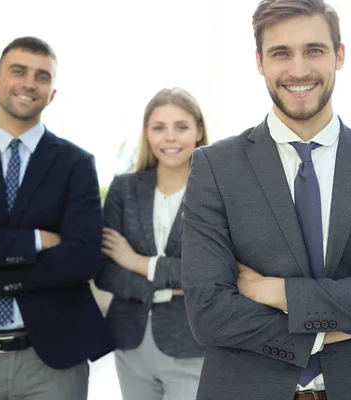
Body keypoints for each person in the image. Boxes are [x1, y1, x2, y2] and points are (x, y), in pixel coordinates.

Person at [180, 1, 351, 399]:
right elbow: (208, 312)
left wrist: (274, 291)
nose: (298, 70)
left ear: (339, 56)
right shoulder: (214, 166)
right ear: (259, 61)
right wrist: (334, 323)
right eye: (281, 53)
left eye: (314, 50)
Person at [0, 36, 113, 400]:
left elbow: (82, 260)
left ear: (52, 93)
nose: (29, 83)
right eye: (18, 71)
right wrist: (36, 240)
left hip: (52, 361)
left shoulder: (77, 164)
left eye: (42, 76)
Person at [95, 88, 209, 400]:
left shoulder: (217, 193)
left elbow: (211, 273)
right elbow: (104, 271)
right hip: (129, 341)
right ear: (147, 133)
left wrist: (136, 262)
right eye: (159, 127)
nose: (169, 137)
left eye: (181, 127)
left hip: (192, 343)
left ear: (199, 131)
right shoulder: (123, 188)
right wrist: (170, 286)